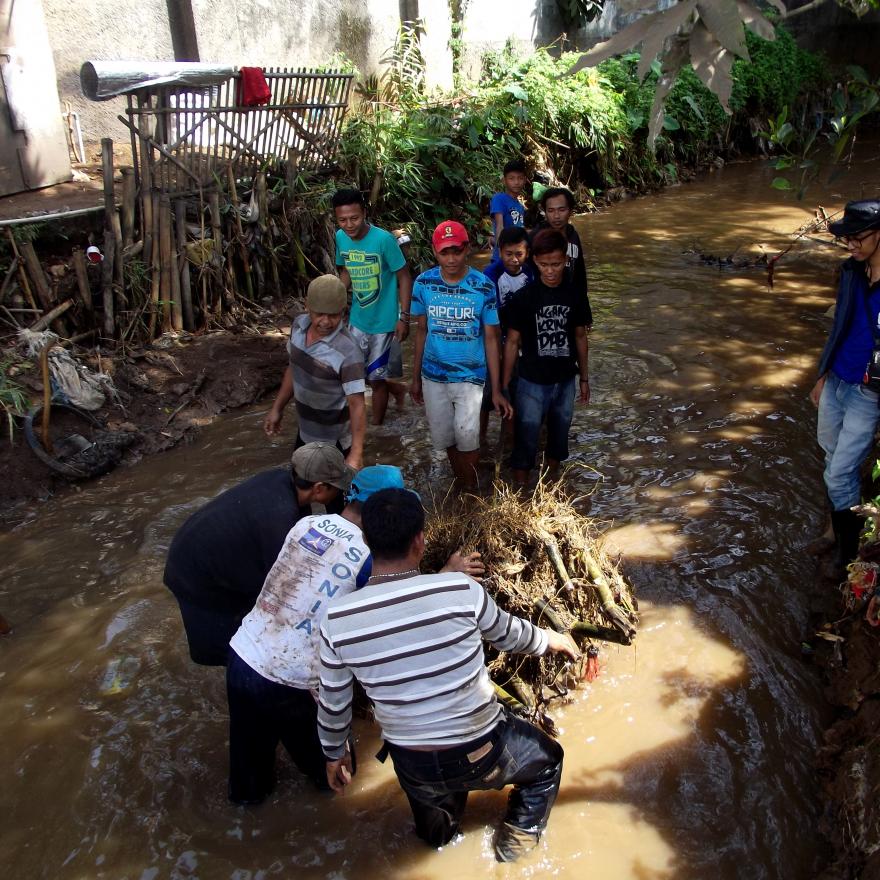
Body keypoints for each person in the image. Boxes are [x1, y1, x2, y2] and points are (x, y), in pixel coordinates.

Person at [317, 488, 580, 862]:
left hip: (412, 763)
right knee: (547, 762)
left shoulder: (336, 619)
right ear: (420, 540)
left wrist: (332, 754)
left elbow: (333, 701)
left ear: (364, 539)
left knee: (436, 835)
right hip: (482, 750)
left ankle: (441, 842)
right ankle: (515, 846)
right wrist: (550, 639)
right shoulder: (460, 589)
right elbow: (510, 635)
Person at [226, 466, 487, 804]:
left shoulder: (305, 525)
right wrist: (448, 573)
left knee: (249, 779)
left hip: (242, 654)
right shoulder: (368, 557)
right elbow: (402, 608)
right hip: (295, 682)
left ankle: (244, 825)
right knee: (335, 777)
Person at [163, 443, 354, 666]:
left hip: (199, 550)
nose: (340, 492)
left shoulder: (279, 480)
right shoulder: (279, 519)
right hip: (194, 574)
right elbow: (285, 589)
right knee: (235, 651)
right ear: (319, 489)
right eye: (337, 488)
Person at [410, 220, 513, 487]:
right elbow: (421, 331)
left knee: (468, 436)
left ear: (467, 249)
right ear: (435, 251)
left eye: (457, 251)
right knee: (446, 438)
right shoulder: (423, 283)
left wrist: (498, 388)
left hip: (471, 376)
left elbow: (491, 338)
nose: (451, 258)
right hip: (433, 375)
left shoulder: (483, 286)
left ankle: (470, 491)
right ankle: (463, 483)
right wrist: (414, 377)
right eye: (445, 252)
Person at [810, 199, 880, 578]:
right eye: (846, 237)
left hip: (869, 394)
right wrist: (822, 376)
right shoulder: (851, 272)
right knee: (831, 460)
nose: (850, 243)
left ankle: (848, 556)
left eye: (857, 236)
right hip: (837, 380)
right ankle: (835, 532)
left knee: (841, 472)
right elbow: (838, 329)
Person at [502, 229, 591, 486]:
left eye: (555, 264)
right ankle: (520, 491)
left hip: (564, 380)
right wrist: (505, 385)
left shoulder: (575, 294)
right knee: (526, 437)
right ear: (534, 262)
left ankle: (553, 486)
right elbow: (513, 342)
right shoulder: (523, 299)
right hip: (531, 381)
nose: (550, 271)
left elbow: (580, 337)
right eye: (543, 265)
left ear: (565, 260)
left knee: (559, 436)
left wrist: (584, 379)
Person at [264, 275, 366, 470]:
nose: (325, 322)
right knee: (300, 489)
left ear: (343, 312)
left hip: (335, 442)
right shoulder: (298, 327)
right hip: (305, 433)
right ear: (307, 307)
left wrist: (356, 454)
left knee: (334, 499)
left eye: (334, 315)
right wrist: (277, 408)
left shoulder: (349, 351)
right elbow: (294, 368)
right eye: (319, 314)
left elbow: (357, 405)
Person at [332, 188, 413, 425]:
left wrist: (404, 317)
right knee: (355, 374)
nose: (349, 224)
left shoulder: (384, 240)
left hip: (385, 322)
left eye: (354, 218)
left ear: (364, 213)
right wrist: (333, 302)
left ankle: (377, 428)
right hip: (358, 318)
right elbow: (345, 271)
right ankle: (396, 389)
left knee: (376, 379)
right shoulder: (340, 237)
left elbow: (405, 277)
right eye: (342, 220)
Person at [480, 227, 534, 443]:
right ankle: (480, 439)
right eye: (508, 254)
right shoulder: (490, 275)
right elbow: (488, 318)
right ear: (500, 251)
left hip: (520, 342)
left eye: (519, 254)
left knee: (513, 392)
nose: (514, 260)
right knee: (485, 397)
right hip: (495, 343)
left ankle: (507, 441)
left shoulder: (531, 272)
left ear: (527, 252)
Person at [532, 187, 593, 329]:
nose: (556, 216)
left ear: (570, 211)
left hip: (569, 302)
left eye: (561, 210)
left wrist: (585, 311)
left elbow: (579, 275)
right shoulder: (536, 237)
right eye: (551, 211)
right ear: (545, 212)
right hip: (542, 304)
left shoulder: (573, 236)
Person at [489, 159, 527, 257]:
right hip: (503, 257)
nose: (516, 182)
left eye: (520, 178)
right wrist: (501, 253)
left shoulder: (520, 206)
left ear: (525, 180)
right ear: (504, 180)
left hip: (516, 256)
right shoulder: (499, 199)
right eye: (511, 178)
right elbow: (499, 226)